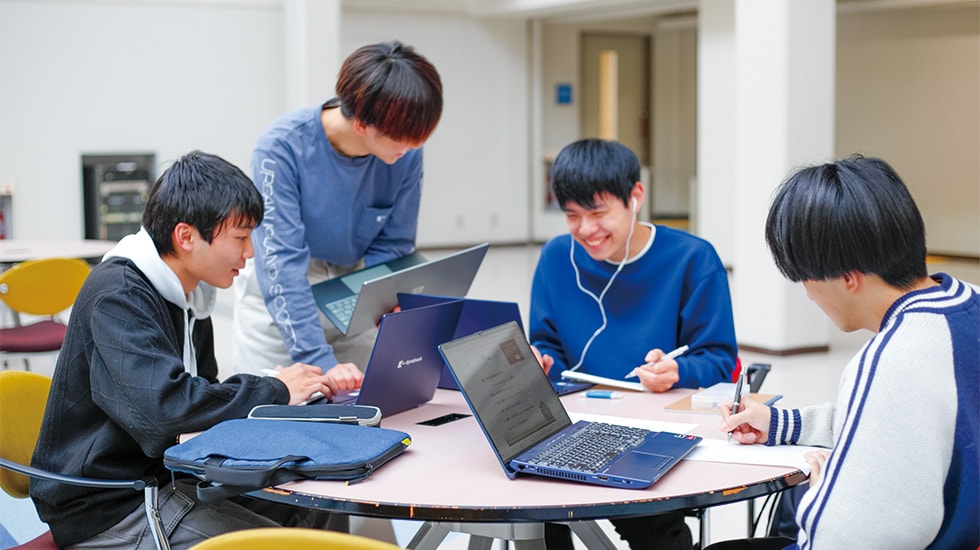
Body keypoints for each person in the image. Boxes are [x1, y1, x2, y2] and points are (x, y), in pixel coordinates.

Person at [30, 151, 363, 549]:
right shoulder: (117, 295)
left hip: (170, 477)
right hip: (112, 502)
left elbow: (198, 397)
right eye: (240, 238)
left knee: (322, 501)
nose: (250, 253)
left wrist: (275, 394)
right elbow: (166, 414)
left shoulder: (190, 294)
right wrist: (274, 391)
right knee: (285, 543)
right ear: (186, 237)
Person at [712, 155, 978, 549]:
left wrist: (822, 495)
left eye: (805, 278)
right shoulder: (968, 304)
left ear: (847, 279)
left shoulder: (893, 358)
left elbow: (842, 537)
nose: (807, 294)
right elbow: (898, 422)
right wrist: (783, 423)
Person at [529, 138, 738, 549]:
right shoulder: (556, 257)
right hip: (573, 427)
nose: (585, 230)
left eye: (598, 213)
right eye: (572, 215)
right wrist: (541, 361)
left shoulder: (692, 259)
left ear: (635, 197)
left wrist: (679, 371)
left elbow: (718, 359)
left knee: (654, 529)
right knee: (532, 509)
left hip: (653, 433)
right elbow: (546, 343)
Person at [233, 40, 443, 377]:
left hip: (355, 289)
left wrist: (378, 302)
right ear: (361, 124)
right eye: (403, 137)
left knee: (364, 399)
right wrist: (317, 357)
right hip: (283, 297)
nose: (414, 146)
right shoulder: (281, 148)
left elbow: (395, 244)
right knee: (275, 402)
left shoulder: (406, 154)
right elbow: (281, 263)